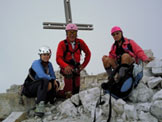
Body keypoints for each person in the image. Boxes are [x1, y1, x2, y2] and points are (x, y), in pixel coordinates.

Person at [22, 46, 59, 117]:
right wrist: (52, 79)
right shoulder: (36, 63)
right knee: (44, 80)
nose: (46, 56)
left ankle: (49, 100)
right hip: (29, 88)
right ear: (40, 55)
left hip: (40, 88)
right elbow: (41, 75)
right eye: (44, 55)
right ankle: (39, 107)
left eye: (48, 55)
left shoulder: (49, 64)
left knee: (56, 83)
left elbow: (53, 75)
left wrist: (54, 80)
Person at [56, 23, 91, 98]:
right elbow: (58, 58)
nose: (72, 35)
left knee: (76, 91)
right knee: (68, 91)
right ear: (66, 33)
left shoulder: (80, 42)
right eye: (69, 32)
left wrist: (83, 66)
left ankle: (67, 93)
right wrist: (65, 66)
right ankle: (59, 94)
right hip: (67, 68)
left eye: (74, 32)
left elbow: (88, 54)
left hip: (76, 68)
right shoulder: (62, 44)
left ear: (76, 33)